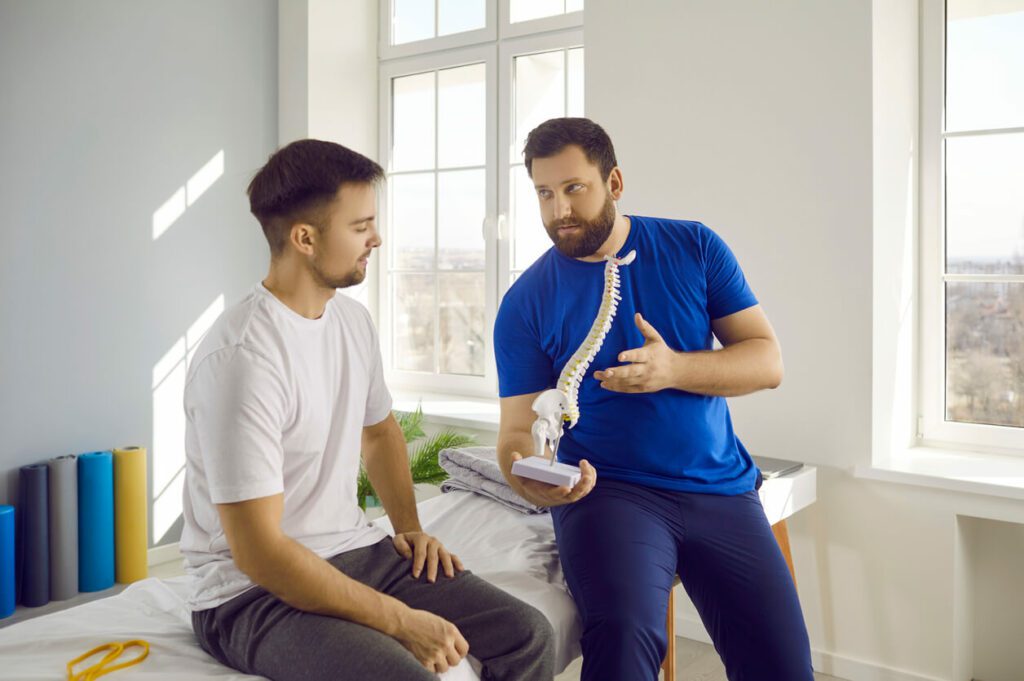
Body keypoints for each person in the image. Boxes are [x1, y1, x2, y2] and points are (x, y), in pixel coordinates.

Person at [180, 139, 554, 681]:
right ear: (304, 238)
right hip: (248, 594)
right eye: (360, 227)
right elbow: (259, 553)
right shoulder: (242, 361)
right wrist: (402, 622)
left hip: (357, 551)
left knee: (527, 635)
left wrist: (410, 528)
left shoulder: (351, 322)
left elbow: (379, 434)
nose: (376, 238)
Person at [494, 117, 814, 681]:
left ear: (614, 183)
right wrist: (527, 476)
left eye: (574, 189)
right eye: (544, 194)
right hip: (611, 494)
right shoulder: (525, 301)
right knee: (623, 641)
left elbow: (768, 362)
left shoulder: (693, 246)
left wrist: (674, 369)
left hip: (720, 488)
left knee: (784, 664)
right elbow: (516, 431)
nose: (558, 211)